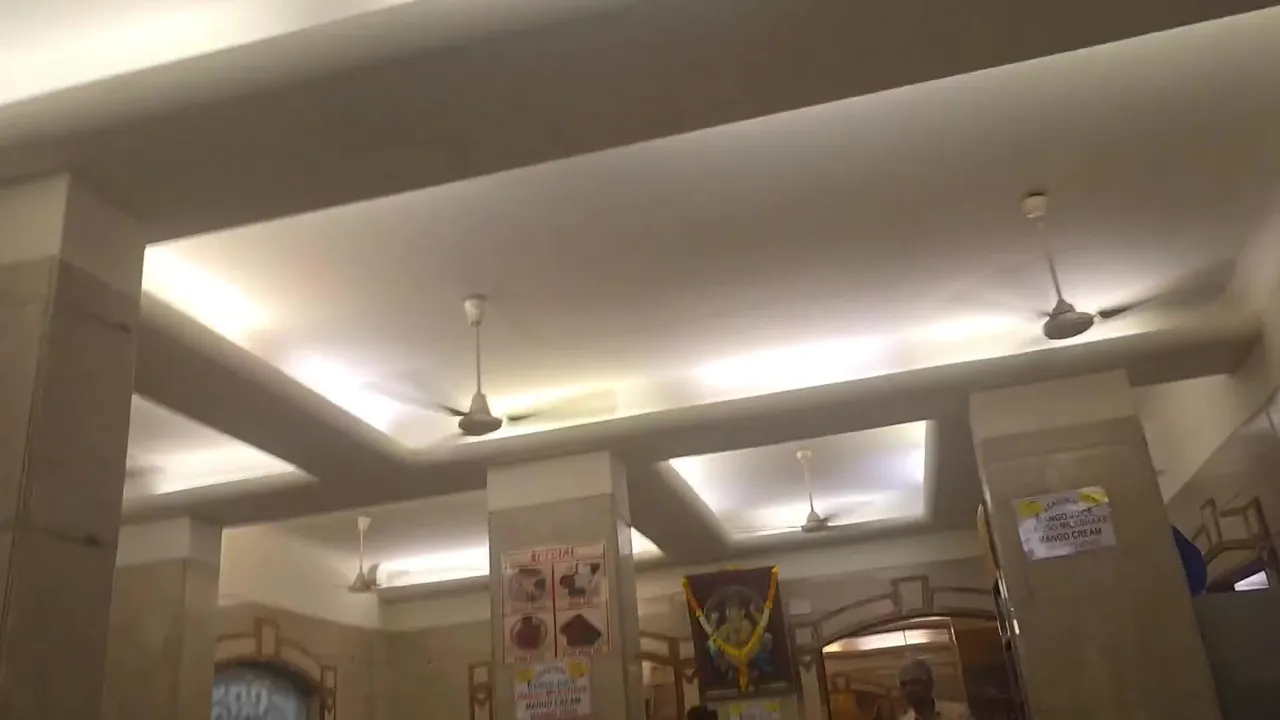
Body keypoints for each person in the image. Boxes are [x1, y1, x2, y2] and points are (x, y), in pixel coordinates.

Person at [897, 658, 973, 720]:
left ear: (930, 683)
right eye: (904, 684)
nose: (909, 689)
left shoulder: (958, 714)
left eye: (914, 682)